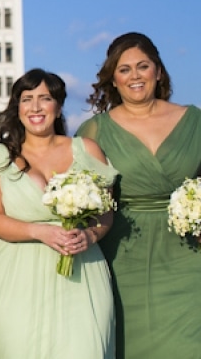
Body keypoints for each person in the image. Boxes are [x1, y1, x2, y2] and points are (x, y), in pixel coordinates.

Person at [76, 32, 201, 359]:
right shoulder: (95, 131)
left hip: (190, 256)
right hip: (122, 255)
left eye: (142, 66)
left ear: (158, 71)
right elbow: (84, 200)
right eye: (124, 69)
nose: (135, 76)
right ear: (113, 80)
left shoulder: (195, 121)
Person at [0, 68, 117, 358]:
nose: (36, 107)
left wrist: (90, 235)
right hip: (17, 277)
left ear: (58, 105)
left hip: (82, 274)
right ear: (17, 108)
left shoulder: (87, 150)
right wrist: (39, 231)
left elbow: (106, 214)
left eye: (45, 98)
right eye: (27, 99)